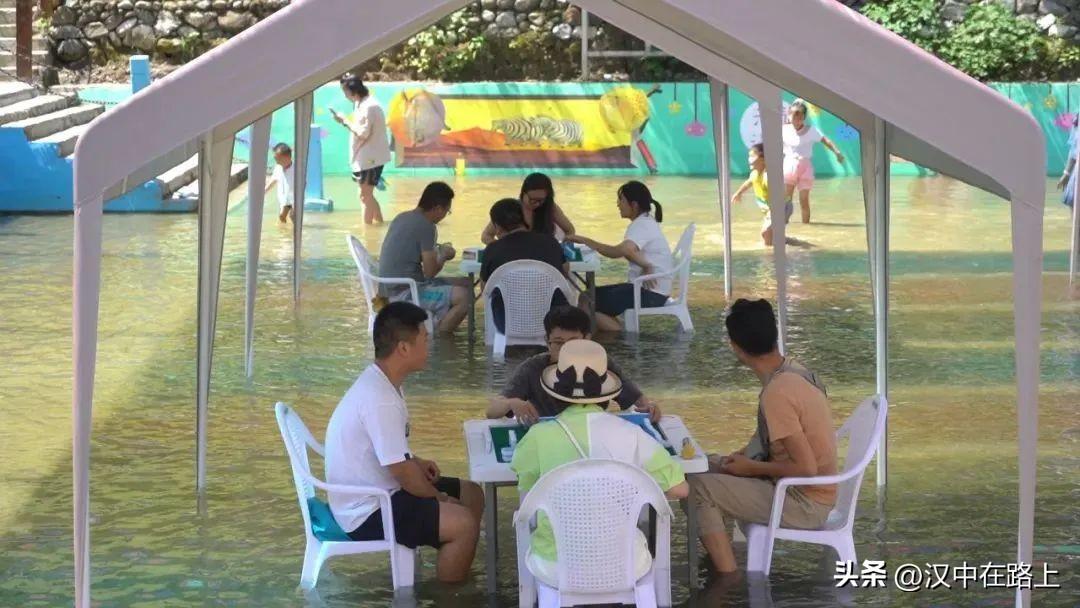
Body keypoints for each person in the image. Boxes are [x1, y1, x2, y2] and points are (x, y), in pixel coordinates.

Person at [325, 302, 485, 583]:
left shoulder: (384, 383)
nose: (429, 346)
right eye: (424, 339)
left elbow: (393, 457)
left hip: (380, 489)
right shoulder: (380, 399)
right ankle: (449, 597)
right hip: (368, 510)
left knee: (472, 494)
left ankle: (453, 563)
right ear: (403, 348)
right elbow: (402, 473)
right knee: (464, 524)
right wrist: (438, 498)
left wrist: (417, 462)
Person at [510, 339, 689, 586]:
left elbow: (527, 487)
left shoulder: (537, 437)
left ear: (556, 392)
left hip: (556, 566)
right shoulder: (633, 434)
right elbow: (680, 489)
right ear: (607, 392)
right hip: (626, 564)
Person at [688, 298, 837, 576]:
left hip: (804, 502)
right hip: (805, 490)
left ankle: (728, 578)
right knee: (699, 466)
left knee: (697, 487)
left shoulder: (778, 393)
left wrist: (751, 468)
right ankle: (721, 555)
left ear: (736, 347)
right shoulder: (793, 369)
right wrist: (744, 458)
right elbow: (778, 444)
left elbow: (806, 468)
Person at [487, 305, 661, 423]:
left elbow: (638, 401)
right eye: (558, 342)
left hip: (592, 431)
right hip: (545, 434)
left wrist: (650, 407)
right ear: (547, 341)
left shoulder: (600, 362)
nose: (565, 349)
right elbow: (491, 411)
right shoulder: (533, 368)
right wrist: (511, 403)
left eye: (573, 342)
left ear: (587, 339)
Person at [566, 181, 674, 332]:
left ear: (634, 205)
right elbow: (630, 252)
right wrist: (646, 264)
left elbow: (623, 250)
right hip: (650, 290)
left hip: (650, 293)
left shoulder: (641, 225)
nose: (618, 204)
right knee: (588, 298)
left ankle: (613, 337)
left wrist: (586, 241)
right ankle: (619, 335)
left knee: (587, 299)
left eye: (621, 200)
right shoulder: (645, 221)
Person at [378, 182, 471, 333]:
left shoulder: (401, 217)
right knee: (465, 297)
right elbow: (430, 272)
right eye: (447, 211)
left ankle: (440, 323)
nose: (445, 216)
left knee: (466, 282)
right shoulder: (427, 226)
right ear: (438, 208)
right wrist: (444, 255)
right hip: (404, 293)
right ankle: (440, 339)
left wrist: (437, 252)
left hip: (387, 289)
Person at [480, 198, 570, 334]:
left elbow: (486, 289)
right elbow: (564, 273)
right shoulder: (551, 243)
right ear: (524, 220)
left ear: (497, 226)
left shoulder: (492, 249)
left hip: (506, 322)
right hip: (553, 320)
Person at [334, 74, 391, 225]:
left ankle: (367, 231)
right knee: (367, 195)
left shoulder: (370, 106)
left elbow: (363, 133)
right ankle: (379, 224)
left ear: (353, 91)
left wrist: (345, 121)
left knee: (365, 196)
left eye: (345, 91)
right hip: (365, 157)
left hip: (370, 158)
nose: (345, 95)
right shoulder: (360, 103)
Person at [783, 100, 845, 224]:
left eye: (800, 117)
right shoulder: (783, 130)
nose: (797, 120)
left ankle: (806, 227)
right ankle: (783, 224)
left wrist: (837, 152)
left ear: (804, 117)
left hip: (805, 168)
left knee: (804, 200)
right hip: (789, 167)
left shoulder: (811, 131)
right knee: (786, 199)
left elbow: (825, 140)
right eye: (794, 116)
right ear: (789, 115)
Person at [480, 173, 575, 244]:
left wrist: (565, 246)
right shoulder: (511, 208)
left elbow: (570, 230)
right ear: (523, 193)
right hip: (513, 255)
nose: (536, 204)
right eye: (532, 199)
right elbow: (486, 236)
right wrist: (500, 247)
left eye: (541, 200)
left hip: (542, 255)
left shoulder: (551, 208)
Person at [732, 144, 794, 246]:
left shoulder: (768, 176)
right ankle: (787, 243)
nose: (749, 159)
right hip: (771, 209)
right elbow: (748, 183)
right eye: (749, 156)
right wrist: (738, 193)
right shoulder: (754, 173)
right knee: (770, 234)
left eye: (753, 156)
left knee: (765, 232)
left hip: (782, 208)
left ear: (764, 159)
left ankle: (769, 251)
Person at [264, 143, 295, 223]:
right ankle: (285, 229)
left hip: (295, 198)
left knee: (293, 216)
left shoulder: (296, 169)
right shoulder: (278, 168)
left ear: (288, 158)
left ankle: (296, 229)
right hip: (285, 198)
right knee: (281, 217)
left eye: (278, 159)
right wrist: (264, 191)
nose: (277, 162)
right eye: (275, 159)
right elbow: (273, 180)